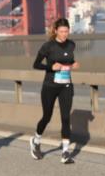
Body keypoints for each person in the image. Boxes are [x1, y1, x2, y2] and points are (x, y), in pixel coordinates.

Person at [30, 18, 79, 163]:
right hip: (50, 86)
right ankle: (36, 140)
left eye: (67, 31)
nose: (64, 34)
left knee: (65, 118)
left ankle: (65, 152)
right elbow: (36, 64)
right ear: (56, 31)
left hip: (66, 85)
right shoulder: (48, 46)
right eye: (62, 31)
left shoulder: (71, 45)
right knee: (47, 117)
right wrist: (50, 67)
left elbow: (68, 61)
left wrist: (74, 64)